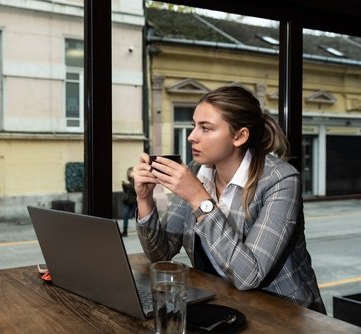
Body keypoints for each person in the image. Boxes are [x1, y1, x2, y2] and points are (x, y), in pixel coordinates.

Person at [133, 85, 326, 313]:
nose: (191, 136)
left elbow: (249, 276)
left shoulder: (281, 180)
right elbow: (161, 255)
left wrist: (199, 199)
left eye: (205, 128)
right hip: (225, 301)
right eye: (194, 125)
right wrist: (145, 200)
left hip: (285, 312)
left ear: (239, 136)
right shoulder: (197, 172)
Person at [121, 166, 137, 237]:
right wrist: (124, 186)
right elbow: (126, 191)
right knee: (125, 215)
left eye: (130, 172)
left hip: (134, 201)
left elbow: (135, 191)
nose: (128, 174)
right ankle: (125, 231)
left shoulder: (136, 181)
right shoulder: (129, 181)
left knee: (137, 216)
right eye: (128, 173)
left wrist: (128, 185)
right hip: (128, 202)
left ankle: (143, 231)